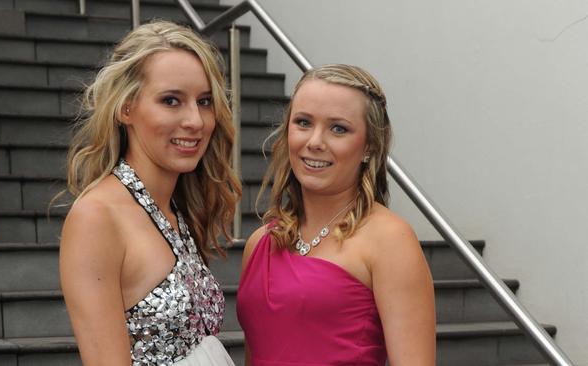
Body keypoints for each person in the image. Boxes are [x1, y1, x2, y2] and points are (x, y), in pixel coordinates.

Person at [59, 20, 241, 366]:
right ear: (126, 108)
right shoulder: (96, 217)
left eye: (204, 101)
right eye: (171, 100)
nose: (196, 121)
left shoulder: (174, 205)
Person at [236, 64, 436, 365]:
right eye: (303, 122)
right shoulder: (260, 242)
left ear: (369, 145)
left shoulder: (389, 239)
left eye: (338, 128)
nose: (315, 141)